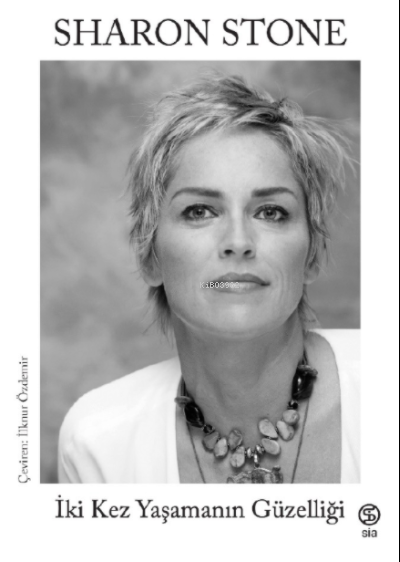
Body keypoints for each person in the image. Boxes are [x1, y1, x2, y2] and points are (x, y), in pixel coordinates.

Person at [58, 75, 361, 484]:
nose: (238, 242)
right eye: (199, 211)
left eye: (271, 212)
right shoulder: (96, 443)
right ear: (150, 256)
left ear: (312, 254)